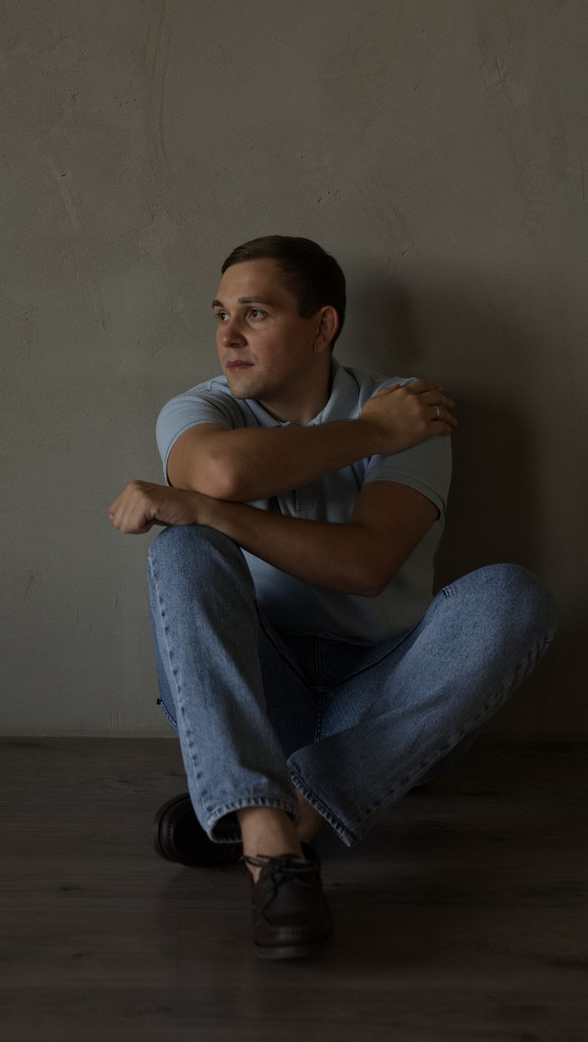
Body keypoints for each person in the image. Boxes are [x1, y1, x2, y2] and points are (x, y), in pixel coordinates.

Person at [108, 235, 556, 961]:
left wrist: (217, 508)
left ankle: (284, 814)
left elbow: (366, 565)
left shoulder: (405, 408)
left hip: (384, 702)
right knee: (183, 548)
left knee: (514, 595)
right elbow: (220, 474)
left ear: (322, 327)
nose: (228, 335)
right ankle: (270, 843)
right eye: (221, 314)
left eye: (255, 313)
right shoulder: (201, 407)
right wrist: (368, 438)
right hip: (261, 695)